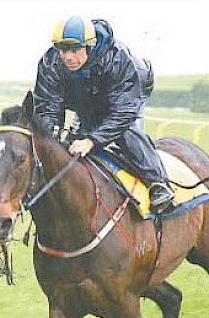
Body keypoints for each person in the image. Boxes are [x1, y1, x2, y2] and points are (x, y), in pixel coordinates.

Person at [33, 15, 174, 214]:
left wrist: (92, 140)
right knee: (72, 140)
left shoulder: (116, 59)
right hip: (85, 97)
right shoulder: (51, 62)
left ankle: (158, 183)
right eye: (63, 49)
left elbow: (122, 112)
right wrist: (52, 138)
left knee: (125, 134)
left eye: (74, 49)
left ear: (89, 47)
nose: (68, 57)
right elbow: (47, 105)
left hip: (127, 95)